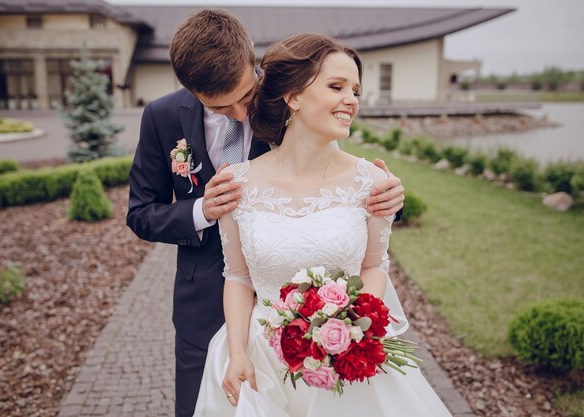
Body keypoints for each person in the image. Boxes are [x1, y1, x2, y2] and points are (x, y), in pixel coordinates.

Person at [126, 10, 405, 417]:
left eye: (244, 96)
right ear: (190, 91)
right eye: (221, 107)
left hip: (304, 302)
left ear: (251, 62)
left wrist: (391, 199)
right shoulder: (162, 117)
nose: (242, 115)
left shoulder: (284, 97)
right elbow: (141, 213)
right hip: (206, 298)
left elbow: (335, 187)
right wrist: (202, 210)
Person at [191, 33, 451, 417]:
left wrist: (351, 331)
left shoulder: (374, 183)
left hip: (343, 358)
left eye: (356, 91)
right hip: (260, 359)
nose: (352, 100)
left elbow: (373, 266)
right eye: (336, 86)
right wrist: (237, 352)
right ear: (293, 97)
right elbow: (238, 277)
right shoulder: (238, 185)